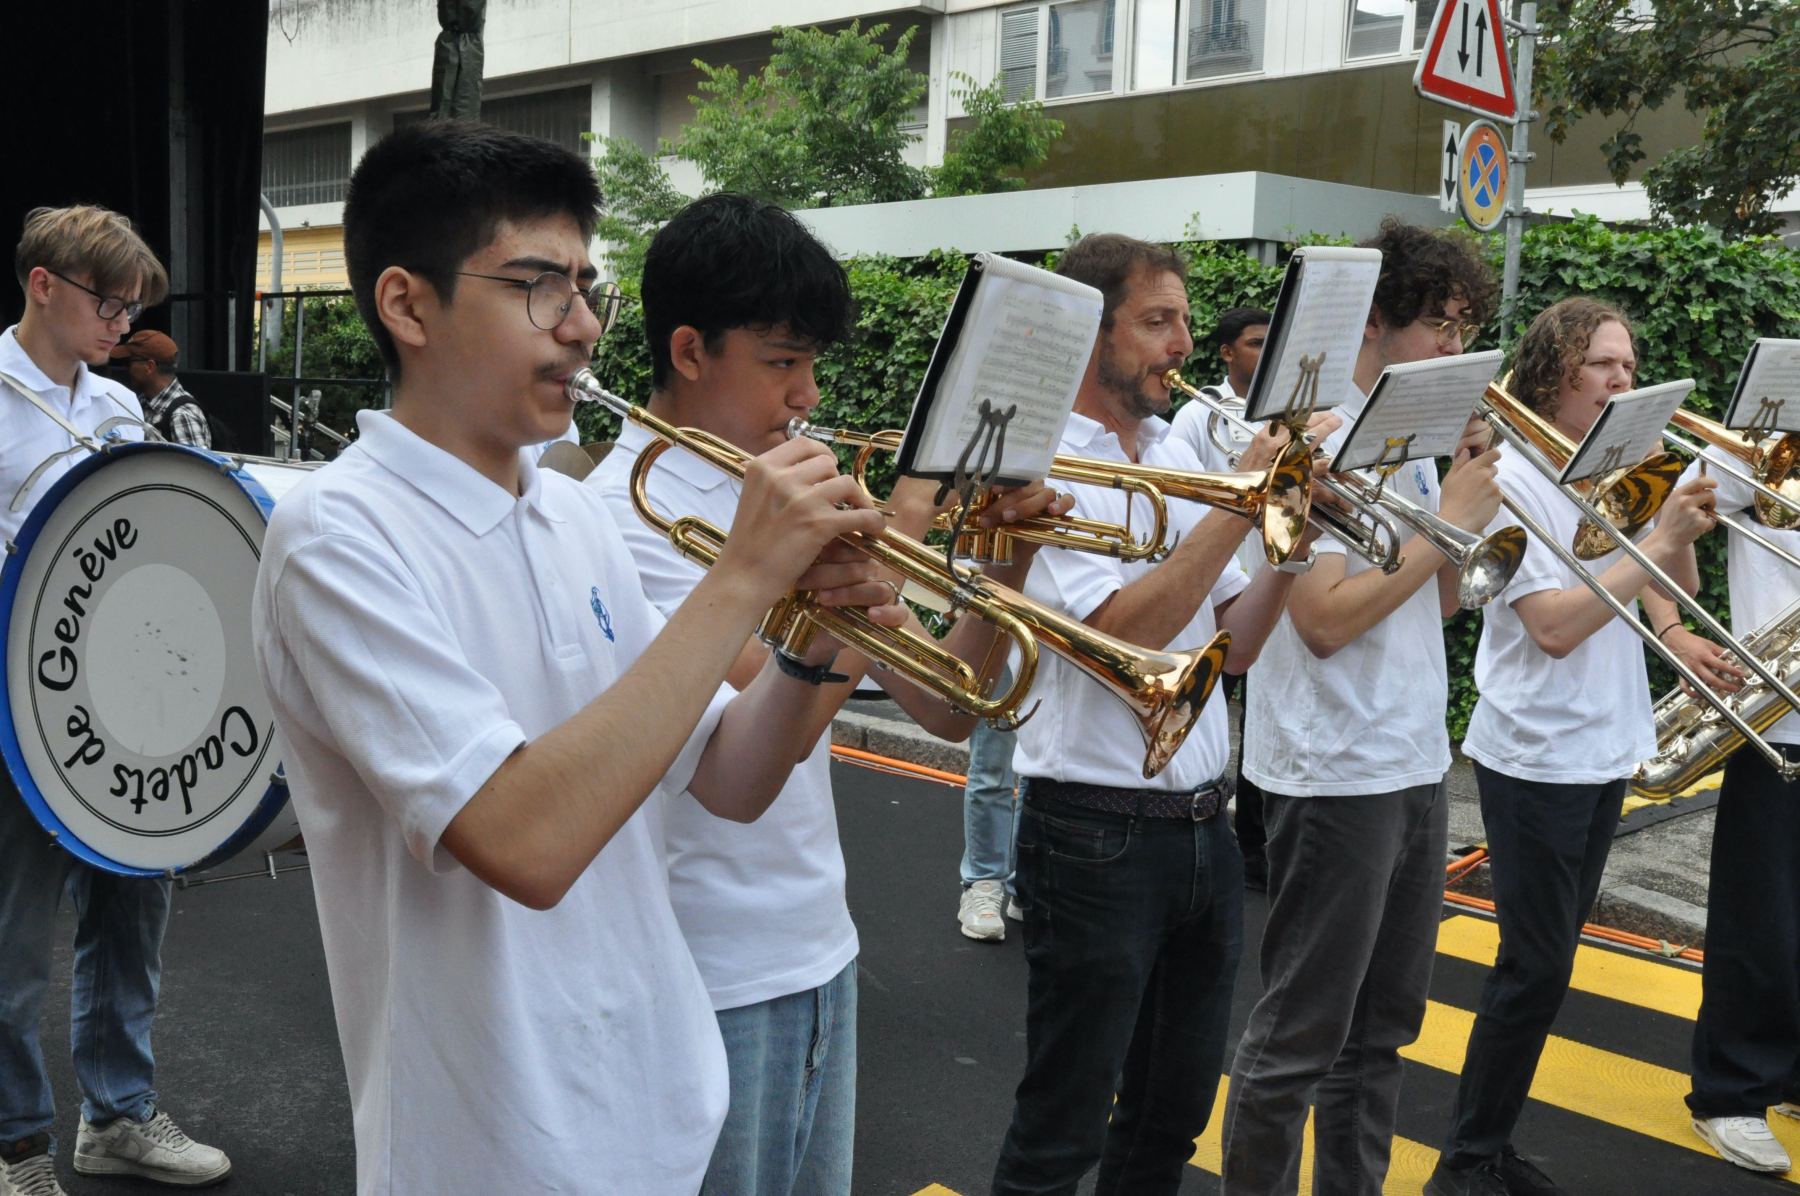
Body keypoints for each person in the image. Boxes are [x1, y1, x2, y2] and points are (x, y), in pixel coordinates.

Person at [251, 121, 905, 1195]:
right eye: (536, 286)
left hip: (660, 1109)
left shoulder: (571, 517)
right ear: (408, 304)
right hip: (491, 1147)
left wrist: (820, 627)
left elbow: (734, 780)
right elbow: (525, 839)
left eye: (585, 285)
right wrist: (745, 575)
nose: (584, 325)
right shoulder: (337, 533)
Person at [592, 191, 1065, 1195]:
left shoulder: (786, 486)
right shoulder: (622, 516)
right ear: (689, 349)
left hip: (818, 945)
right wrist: (890, 533)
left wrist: (1005, 557)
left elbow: (947, 699)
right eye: (782, 361)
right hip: (707, 966)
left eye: (813, 361)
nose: (807, 392)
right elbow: (757, 749)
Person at [991, 233, 1333, 1196]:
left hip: (1202, 829)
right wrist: (1239, 504)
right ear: (1088, 335)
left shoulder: (1166, 451)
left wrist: (1289, 542)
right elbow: (1125, 640)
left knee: (1171, 1119)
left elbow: (1239, 645)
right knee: (1063, 1127)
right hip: (1091, 828)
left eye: (1183, 319)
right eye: (1157, 321)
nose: (1183, 343)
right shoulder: (1047, 462)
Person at [1221, 219, 1501, 1196]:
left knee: (1381, 1034)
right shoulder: (1315, 438)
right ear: (1376, 319)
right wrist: (1450, 527)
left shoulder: (1414, 429)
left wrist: (1468, 513)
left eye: (1467, 328)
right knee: (1300, 1033)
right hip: (1334, 765)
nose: (1454, 349)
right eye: (1441, 324)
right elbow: (1327, 617)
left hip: (1414, 755)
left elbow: (1444, 598)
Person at [1425, 297, 1720, 1196]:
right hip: (1536, 752)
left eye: (1629, 368)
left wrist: (1676, 530)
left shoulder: (1616, 468)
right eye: (1604, 367)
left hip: (1603, 741)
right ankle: (1465, 1160)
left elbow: (1676, 580)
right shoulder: (1512, 478)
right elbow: (1552, 625)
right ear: (1556, 373)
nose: (1622, 382)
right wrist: (1656, 537)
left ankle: (1491, 1145)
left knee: (1546, 966)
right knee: (1534, 965)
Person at [0, 206, 231, 1195]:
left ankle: (118, 1115)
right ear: (42, 282)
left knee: (131, 906)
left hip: (120, 696)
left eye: (132, 305)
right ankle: (16, 1144)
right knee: (13, 932)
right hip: (15, 698)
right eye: (108, 300)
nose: (121, 320)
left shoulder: (111, 405)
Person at [1647, 450, 1800, 1175]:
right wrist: (1676, 631)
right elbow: (1651, 523)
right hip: (1778, 718)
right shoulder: (1759, 449)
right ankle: (1730, 1095)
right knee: (1760, 917)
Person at [1169, 306, 1274, 887]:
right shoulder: (1194, 417)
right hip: (1214, 591)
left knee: (1263, 718)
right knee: (1211, 710)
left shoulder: (1289, 414)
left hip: (1264, 587)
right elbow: (1191, 503)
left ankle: (1256, 847)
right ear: (1228, 353)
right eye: (1256, 344)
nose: (1265, 354)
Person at [108, 328, 209, 448]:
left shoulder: (182, 414)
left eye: (128, 363)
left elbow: (194, 466)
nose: (126, 369)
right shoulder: (141, 403)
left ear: (149, 366)